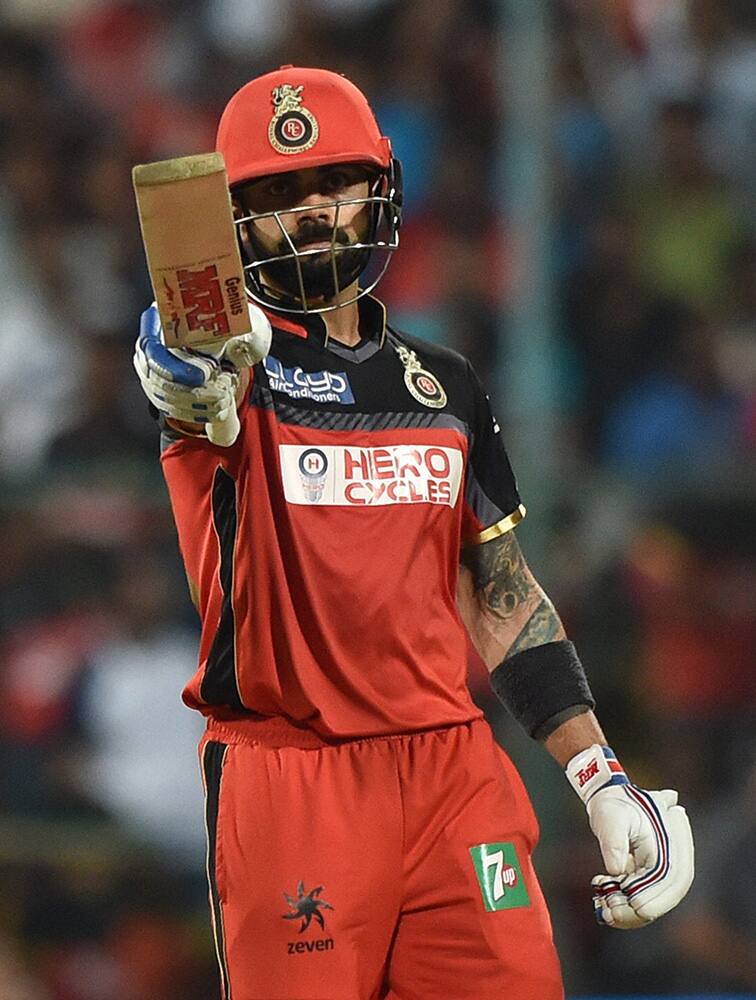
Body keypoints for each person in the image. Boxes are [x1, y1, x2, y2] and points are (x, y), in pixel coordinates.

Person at [133, 66, 694, 1000]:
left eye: (332, 184)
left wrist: (598, 774)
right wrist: (174, 353)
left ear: (380, 192)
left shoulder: (448, 385)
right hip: (294, 776)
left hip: (453, 773)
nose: (311, 213)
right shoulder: (232, 373)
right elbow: (182, 357)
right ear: (235, 222)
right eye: (277, 194)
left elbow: (501, 591)